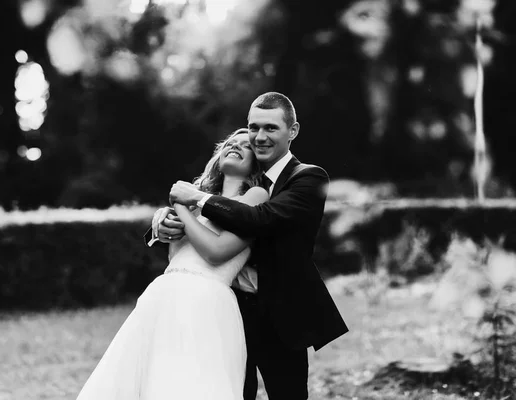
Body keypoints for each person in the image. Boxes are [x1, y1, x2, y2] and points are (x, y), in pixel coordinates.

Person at [153, 92, 349, 400]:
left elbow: (260, 219)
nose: (259, 136)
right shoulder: (236, 184)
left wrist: (196, 199)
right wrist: (163, 219)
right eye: (253, 127)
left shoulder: (308, 178)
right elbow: (211, 212)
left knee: (288, 394)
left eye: (271, 128)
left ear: (292, 131)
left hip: (278, 313)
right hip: (226, 308)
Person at [77, 129, 269, 400]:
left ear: (256, 162)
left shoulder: (255, 196)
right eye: (230, 143)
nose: (234, 146)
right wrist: (165, 216)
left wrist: (180, 204)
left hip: (207, 298)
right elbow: (175, 256)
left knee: (194, 380)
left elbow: (215, 253)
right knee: (152, 377)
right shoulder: (196, 199)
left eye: (245, 145)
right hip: (164, 293)